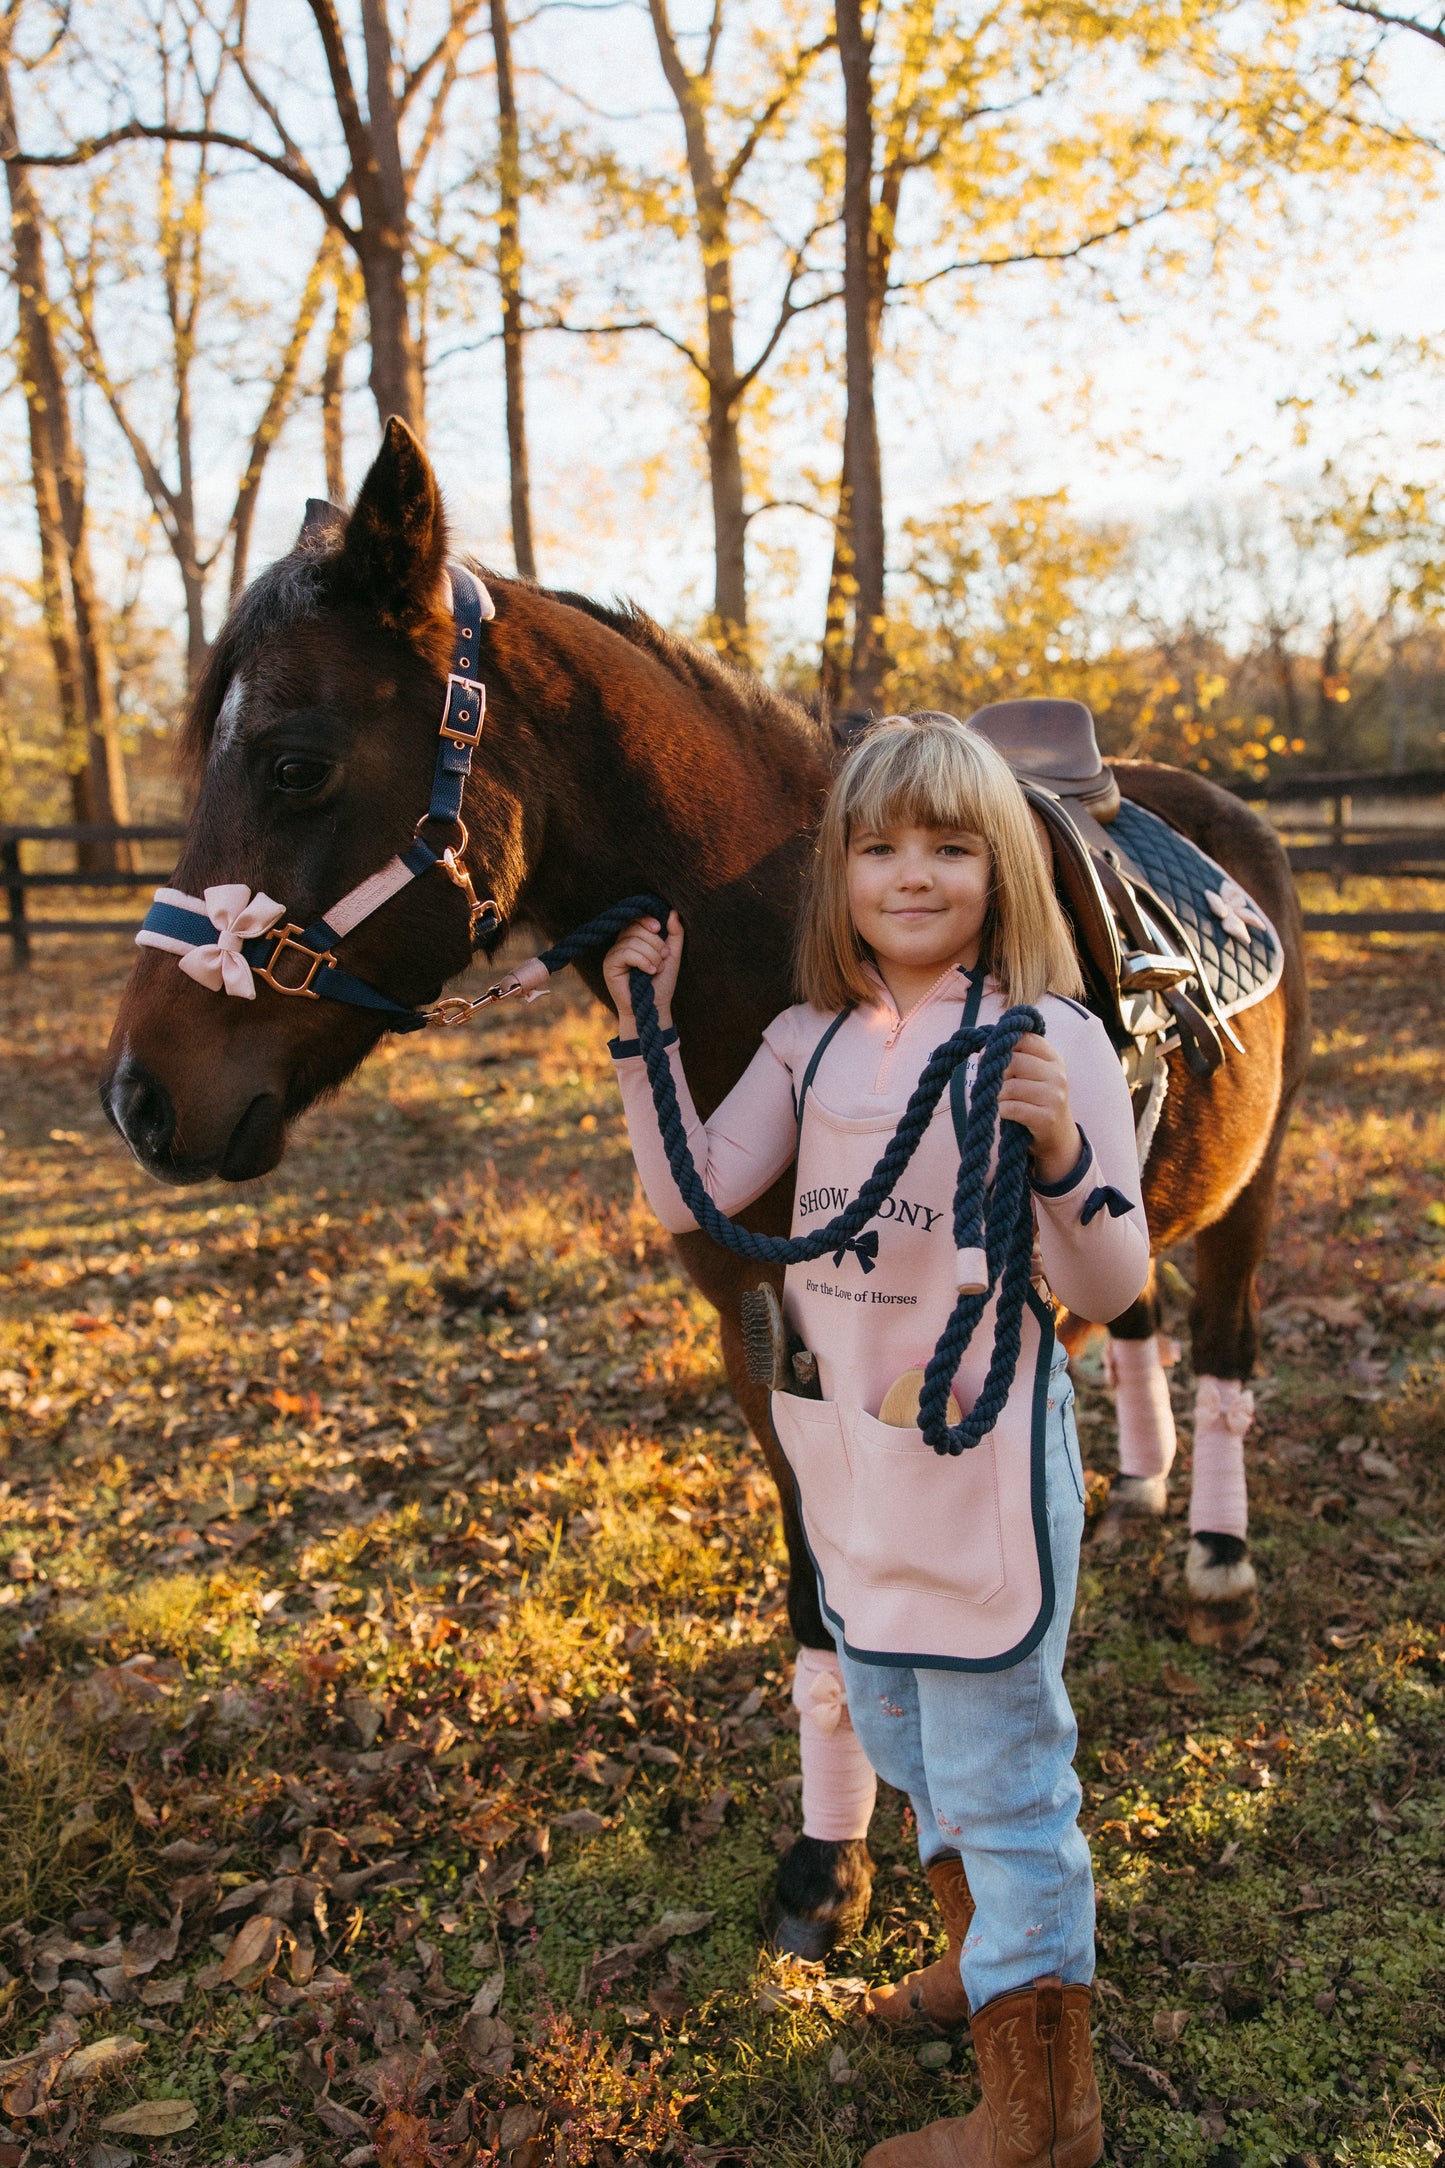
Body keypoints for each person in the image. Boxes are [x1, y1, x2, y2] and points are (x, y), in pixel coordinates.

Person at [602, 714, 1149, 2168]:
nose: (913, 875)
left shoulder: (1048, 1045)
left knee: (1001, 1764)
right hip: (849, 1463)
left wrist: (1065, 1160)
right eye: (879, 845)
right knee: (903, 1729)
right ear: (837, 872)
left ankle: (1041, 2115)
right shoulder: (811, 1041)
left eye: (951, 847)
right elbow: (695, 1197)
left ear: (1001, 869)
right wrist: (640, 1032)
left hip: (971, 1467)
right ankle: (989, 1977)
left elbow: (1115, 1286)